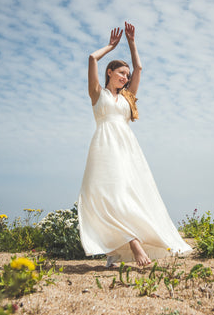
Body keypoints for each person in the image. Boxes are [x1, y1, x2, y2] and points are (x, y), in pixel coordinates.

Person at [77, 22, 192, 267]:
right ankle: (118, 248)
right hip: (103, 148)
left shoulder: (128, 97)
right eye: (121, 73)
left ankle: (130, 245)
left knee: (125, 194)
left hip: (127, 149)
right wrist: (110, 46)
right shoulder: (98, 94)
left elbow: (139, 66)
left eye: (127, 76)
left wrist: (131, 42)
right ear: (110, 72)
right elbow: (91, 58)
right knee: (106, 197)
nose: (125, 77)